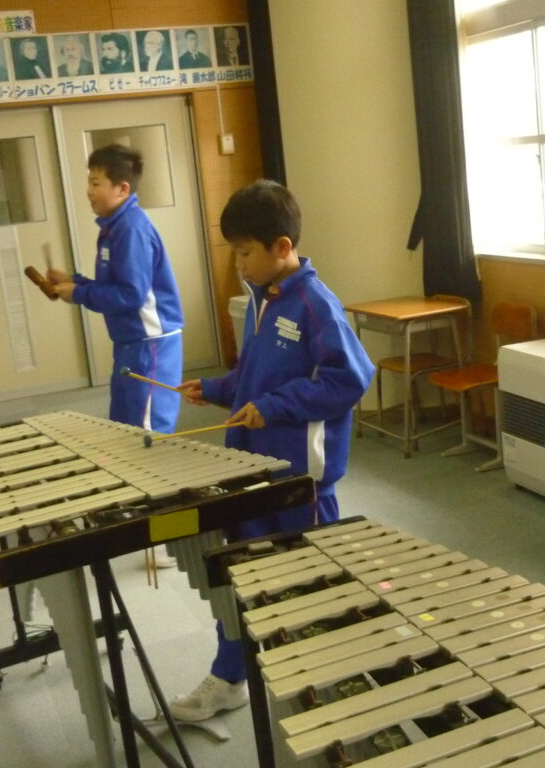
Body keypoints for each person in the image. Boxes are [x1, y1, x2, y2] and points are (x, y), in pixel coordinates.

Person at [169, 180, 374, 722]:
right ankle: (229, 677)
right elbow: (255, 376)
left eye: (244, 253)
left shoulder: (315, 305)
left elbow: (351, 379)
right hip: (252, 472)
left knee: (310, 591)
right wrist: (218, 389)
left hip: (298, 483)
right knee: (240, 580)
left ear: (282, 247)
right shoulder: (261, 299)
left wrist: (277, 405)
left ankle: (332, 684)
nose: (238, 264)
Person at [47, 145, 183, 433]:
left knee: (149, 433)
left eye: (96, 183)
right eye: (89, 183)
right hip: (129, 343)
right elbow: (115, 286)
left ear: (122, 189)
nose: (88, 191)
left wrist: (78, 294)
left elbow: (131, 295)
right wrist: (74, 281)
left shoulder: (131, 229)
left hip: (151, 345)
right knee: (123, 429)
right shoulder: (114, 227)